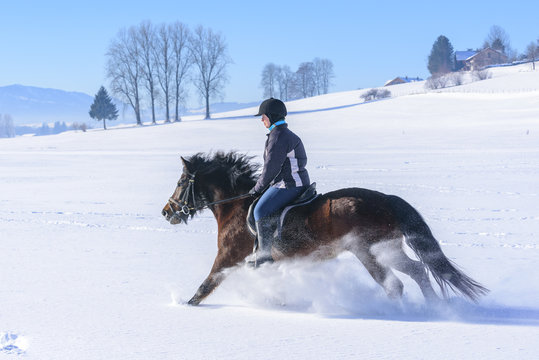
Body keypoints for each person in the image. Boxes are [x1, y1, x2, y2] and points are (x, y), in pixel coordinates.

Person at [249, 98, 310, 266]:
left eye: (263, 116)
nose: (262, 120)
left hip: (289, 185)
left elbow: (271, 168)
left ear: (271, 116)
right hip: (293, 182)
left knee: (260, 210)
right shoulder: (283, 134)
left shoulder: (278, 137)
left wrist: (257, 188)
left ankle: (265, 256)